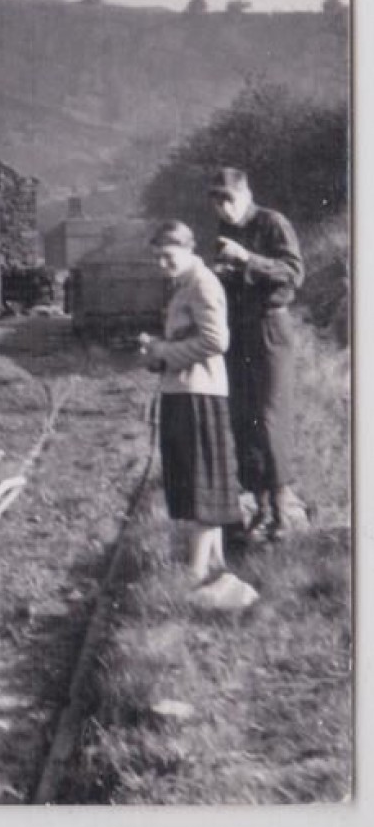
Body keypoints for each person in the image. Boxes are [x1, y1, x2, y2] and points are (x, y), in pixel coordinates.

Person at [138, 221, 246, 592]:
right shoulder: (183, 284)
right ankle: (214, 563)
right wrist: (156, 351)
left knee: (203, 483)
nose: (161, 264)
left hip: (199, 394)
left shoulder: (202, 283)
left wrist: (165, 352)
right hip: (184, 391)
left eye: (167, 256)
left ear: (189, 249)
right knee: (195, 481)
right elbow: (189, 338)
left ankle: (196, 573)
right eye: (157, 258)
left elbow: (217, 341)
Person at [208, 167, 306, 541]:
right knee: (243, 418)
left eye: (227, 198)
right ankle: (260, 505)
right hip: (238, 332)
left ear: (246, 194)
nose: (222, 207)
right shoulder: (224, 232)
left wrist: (247, 258)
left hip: (269, 329)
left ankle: (283, 506)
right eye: (215, 200)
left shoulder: (272, 223)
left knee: (268, 417)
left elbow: (294, 274)